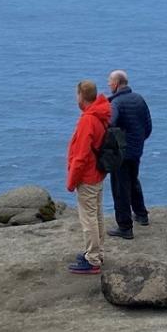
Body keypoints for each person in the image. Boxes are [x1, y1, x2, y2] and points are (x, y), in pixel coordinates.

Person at [65, 79, 113, 273]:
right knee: (97, 215)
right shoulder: (101, 113)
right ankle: (97, 252)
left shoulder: (88, 119)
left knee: (89, 219)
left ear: (81, 96)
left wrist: (71, 181)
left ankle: (92, 259)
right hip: (98, 174)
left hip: (88, 176)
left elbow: (81, 155)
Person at [106, 70, 153, 239]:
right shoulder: (139, 99)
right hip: (136, 149)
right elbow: (148, 126)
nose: (109, 84)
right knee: (133, 181)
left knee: (120, 188)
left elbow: (110, 123)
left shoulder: (116, 103)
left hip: (121, 153)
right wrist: (138, 141)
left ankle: (125, 227)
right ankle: (141, 214)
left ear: (117, 83)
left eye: (110, 82)